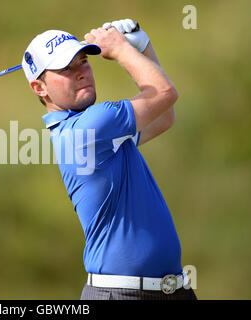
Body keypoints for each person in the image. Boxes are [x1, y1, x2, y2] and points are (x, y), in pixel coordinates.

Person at [21, 19, 197, 300]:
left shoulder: (93, 129)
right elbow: (165, 93)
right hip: (121, 294)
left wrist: (141, 48)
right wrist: (122, 50)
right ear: (39, 88)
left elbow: (164, 116)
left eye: (83, 62)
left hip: (174, 290)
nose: (81, 73)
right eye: (66, 68)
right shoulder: (87, 128)